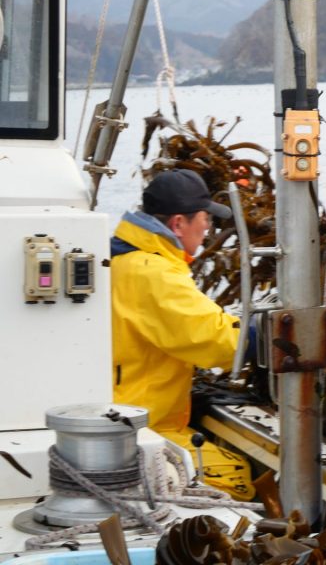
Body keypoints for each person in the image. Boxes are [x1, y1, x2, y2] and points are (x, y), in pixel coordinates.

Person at [110, 168, 254, 500]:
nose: (208, 228)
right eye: (204, 219)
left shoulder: (123, 257)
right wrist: (259, 336)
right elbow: (214, 340)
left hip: (123, 419)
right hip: (144, 428)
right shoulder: (153, 273)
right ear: (178, 224)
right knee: (235, 476)